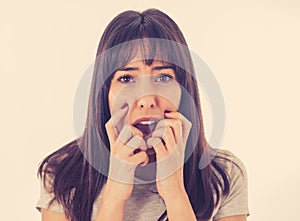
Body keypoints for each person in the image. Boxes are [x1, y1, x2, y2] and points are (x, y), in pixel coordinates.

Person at [36, 9, 249, 221]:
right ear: (105, 93)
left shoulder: (225, 174)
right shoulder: (61, 174)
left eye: (163, 77)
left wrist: (174, 192)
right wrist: (115, 192)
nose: (146, 99)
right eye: (127, 79)